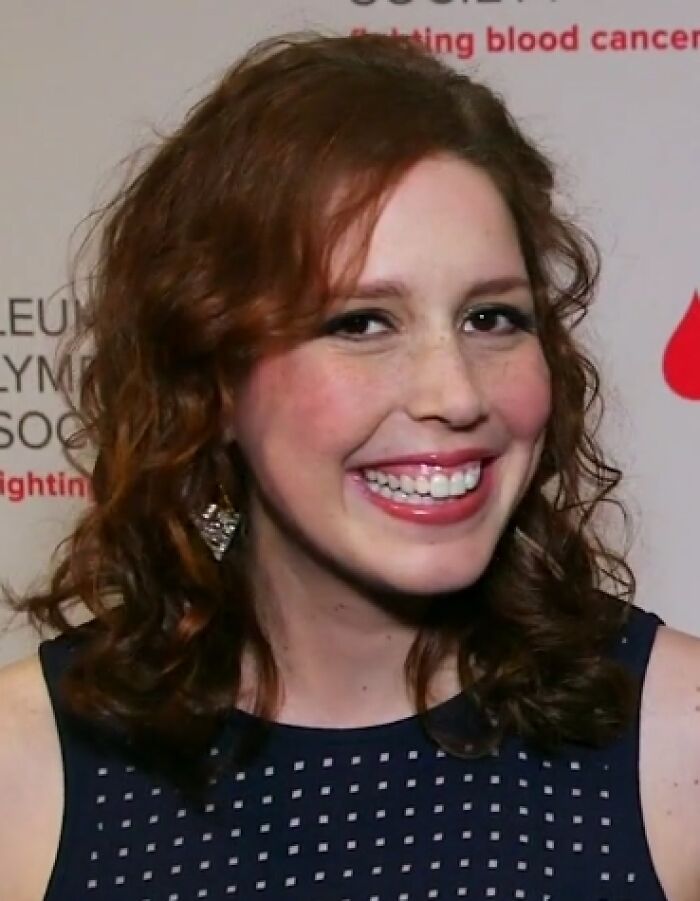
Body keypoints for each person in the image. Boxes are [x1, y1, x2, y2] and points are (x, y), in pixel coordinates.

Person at [0, 30, 698, 901]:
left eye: (491, 318)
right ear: (214, 380)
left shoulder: (681, 739)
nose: (455, 392)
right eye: (362, 322)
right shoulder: (25, 767)